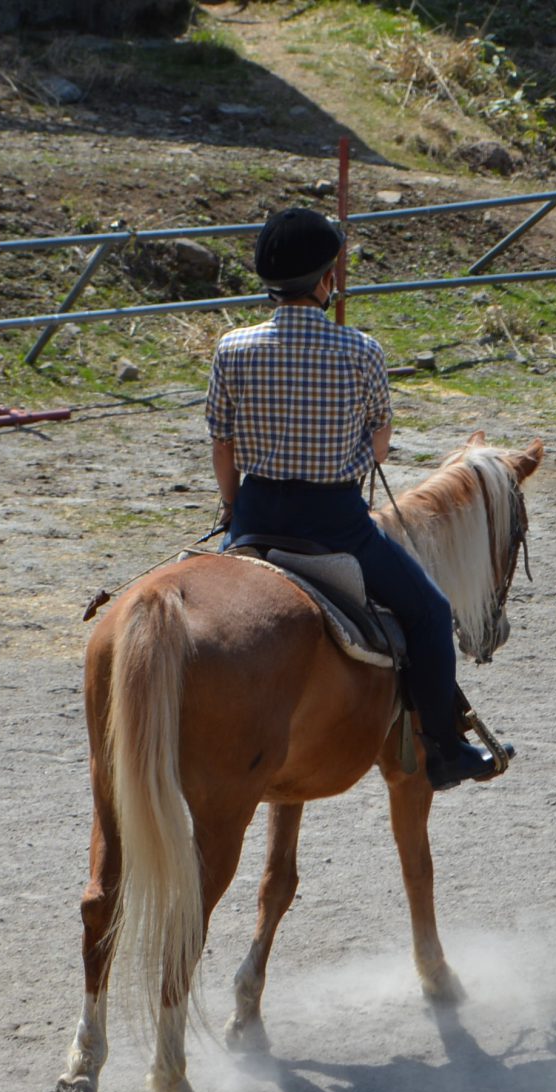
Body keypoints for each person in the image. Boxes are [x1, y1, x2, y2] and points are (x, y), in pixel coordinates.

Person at [206, 207, 502, 791]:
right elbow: (381, 446)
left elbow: (223, 444)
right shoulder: (361, 350)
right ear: (326, 279)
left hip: (254, 521)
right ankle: (444, 748)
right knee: (430, 611)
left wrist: (233, 506)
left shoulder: (232, 348)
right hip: (336, 527)